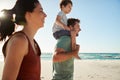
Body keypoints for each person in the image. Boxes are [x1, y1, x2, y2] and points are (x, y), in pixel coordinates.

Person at [0, 0, 47, 80]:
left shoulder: (33, 43)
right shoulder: (20, 41)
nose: (45, 15)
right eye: (41, 11)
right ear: (28, 15)